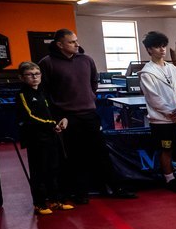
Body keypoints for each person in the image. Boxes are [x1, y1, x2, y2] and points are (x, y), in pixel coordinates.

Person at [38, 28, 136, 203]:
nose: (77, 44)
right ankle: (80, 192)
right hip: (67, 116)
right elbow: (44, 91)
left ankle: (115, 188)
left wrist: (89, 97)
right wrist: (57, 115)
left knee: (101, 152)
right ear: (59, 44)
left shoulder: (86, 60)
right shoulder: (47, 63)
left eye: (76, 40)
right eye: (71, 42)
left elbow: (93, 82)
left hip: (89, 114)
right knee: (75, 156)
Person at [15, 62, 72, 214]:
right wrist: (51, 124)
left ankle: (56, 200)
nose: (34, 77)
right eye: (30, 74)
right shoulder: (22, 95)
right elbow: (29, 116)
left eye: (37, 73)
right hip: (35, 139)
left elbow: (52, 110)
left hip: (51, 137)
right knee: (39, 172)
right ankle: (39, 204)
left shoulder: (43, 92)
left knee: (54, 169)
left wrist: (61, 120)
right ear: (21, 77)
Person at [138, 31, 176, 192]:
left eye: (164, 46)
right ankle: (169, 178)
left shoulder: (173, 69)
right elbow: (153, 98)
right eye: (158, 46)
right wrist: (171, 112)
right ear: (149, 50)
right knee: (166, 149)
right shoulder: (146, 73)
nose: (162, 49)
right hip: (161, 120)